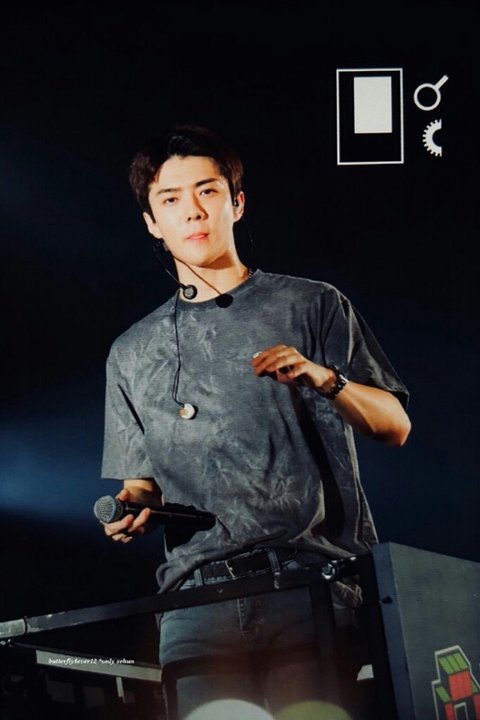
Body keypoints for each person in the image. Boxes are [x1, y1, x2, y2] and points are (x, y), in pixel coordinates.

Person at [100, 125, 411, 720]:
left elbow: (395, 425)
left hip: (307, 580)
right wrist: (133, 507)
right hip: (194, 600)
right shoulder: (131, 352)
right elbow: (140, 483)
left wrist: (324, 378)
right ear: (151, 222)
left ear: (236, 203)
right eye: (171, 199)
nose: (193, 210)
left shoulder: (311, 303)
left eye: (208, 191)